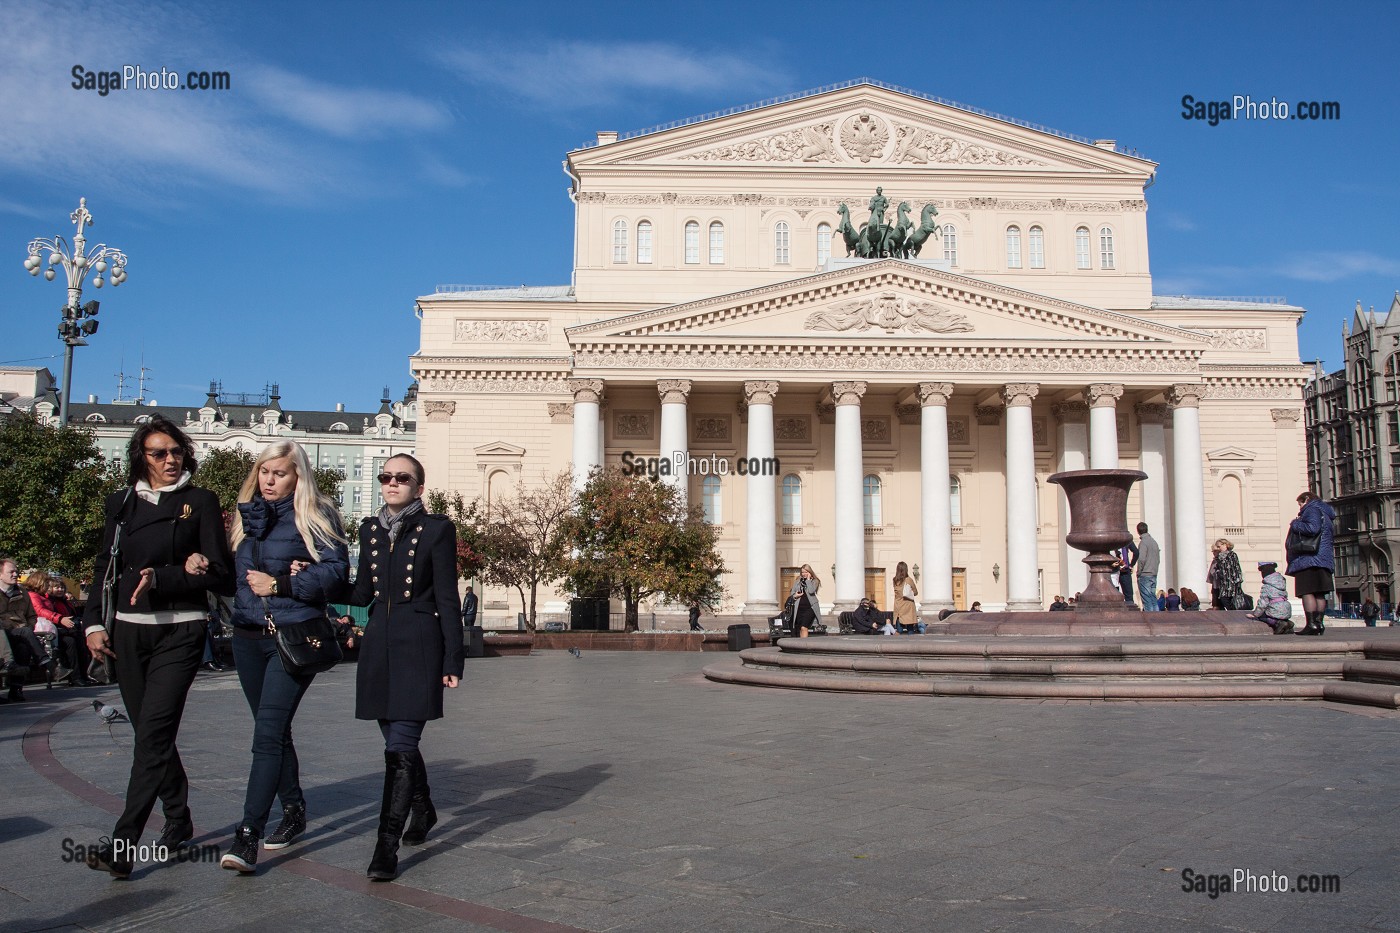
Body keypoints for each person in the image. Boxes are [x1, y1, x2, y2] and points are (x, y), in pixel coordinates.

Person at [83, 415, 234, 878]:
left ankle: (122, 844)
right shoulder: (121, 503)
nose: (171, 460)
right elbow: (103, 572)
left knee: (152, 733)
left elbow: (222, 575)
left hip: (182, 630)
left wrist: (175, 573)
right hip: (129, 632)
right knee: (151, 734)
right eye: (159, 453)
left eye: (176, 451)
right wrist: (92, 623)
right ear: (141, 458)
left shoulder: (201, 502)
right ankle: (178, 817)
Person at [219, 441, 349, 874]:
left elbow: (336, 573)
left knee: (267, 734)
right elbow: (232, 578)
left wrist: (282, 585)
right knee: (270, 730)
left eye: (280, 473)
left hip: (290, 637)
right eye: (264, 472)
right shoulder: (244, 517)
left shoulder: (315, 514)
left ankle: (247, 835)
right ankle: (293, 809)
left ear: (298, 476)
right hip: (246, 637)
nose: (270, 481)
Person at [346, 454, 463, 881]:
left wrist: (454, 658)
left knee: (397, 749)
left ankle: (385, 847)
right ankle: (423, 807)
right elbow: (361, 592)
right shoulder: (369, 530)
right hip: (379, 644)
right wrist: (311, 577)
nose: (392, 483)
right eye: (386, 477)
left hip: (419, 644)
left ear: (419, 487)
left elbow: (448, 597)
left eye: (402, 478)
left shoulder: (437, 530)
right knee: (398, 741)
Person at [30, 574, 95, 685]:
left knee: (78, 640)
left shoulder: (54, 599)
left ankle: (83, 675)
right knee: (71, 641)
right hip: (47, 630)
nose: (49, 588)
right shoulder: (34, 596)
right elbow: (40, 611)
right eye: (48, 585)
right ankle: (76, 677)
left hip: (55, 628)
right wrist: (60, 619)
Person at [1288, 490, 1337, 636]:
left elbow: (1312, 528)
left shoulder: (1312, 510)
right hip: (1323, 558)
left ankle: (1311, 624)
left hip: (1309, 558)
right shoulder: (1326, 513)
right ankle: (1319, 624)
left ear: (1307, 499)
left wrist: (1295, 523)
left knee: (1307, 591)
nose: (1300, 507)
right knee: (1319, 593)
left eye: (1300, 503)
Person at [0, 558, 32, 702]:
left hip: (18, 631)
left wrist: (30, 627)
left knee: (23, 646)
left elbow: (32, 615)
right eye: (11, 571)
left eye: (16, 571)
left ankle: (16, 689)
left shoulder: (23, 592)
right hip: (2, 634)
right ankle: (47, 663)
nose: (15, 574)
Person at [1248, 561, 1294, 634]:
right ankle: (1288, 623)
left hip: (1276, 609)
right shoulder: (1281, 583)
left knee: (1261, 616)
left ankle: (1277, 623)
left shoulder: (1267, 587)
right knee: (1278, 614)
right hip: (1287, 608)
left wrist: (1255, 614)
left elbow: (1263, 603)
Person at [1207, 538, 1244, 610]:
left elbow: (1236, 568)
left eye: (1219, 546)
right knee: (1223, 599)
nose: (1218, 548)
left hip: (1232, 582)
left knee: (1231, 600)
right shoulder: (1219, 557)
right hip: (1223, 583)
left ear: (1225, 545)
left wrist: (1237, 581)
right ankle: (1231, 613)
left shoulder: (1232, 554)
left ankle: (1233, 614)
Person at [788, 564, 822, 638]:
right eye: (802, 572)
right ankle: (801, 645)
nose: (804, 574)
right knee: (800, 628)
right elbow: (792, 593)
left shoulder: (815, 581)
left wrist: (808, 580)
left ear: (810, 572)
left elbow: (811, 591)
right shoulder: (798, 581)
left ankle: (804, 644)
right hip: (799, 608)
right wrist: (795, 596)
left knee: (804, 627)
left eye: (806, 572)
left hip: (810, 608)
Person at [1135, 523, 1160, 611]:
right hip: (1153, 574)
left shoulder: (1143, 543)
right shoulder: (1154, 542)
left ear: (1138, 531)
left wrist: (1139, 572)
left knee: (1147, 600)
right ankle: (1157, 619)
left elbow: (1141, 559)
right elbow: (1158, 559)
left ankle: (1150, 619)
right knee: (1153, 598)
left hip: (1145, 574)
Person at [891, 561, 920, 633]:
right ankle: (912, 644)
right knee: (910, 629)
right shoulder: (908, 580)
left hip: (898, 606)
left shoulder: (895, 580)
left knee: (899, 629)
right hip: (908, 606)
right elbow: (916, 592)